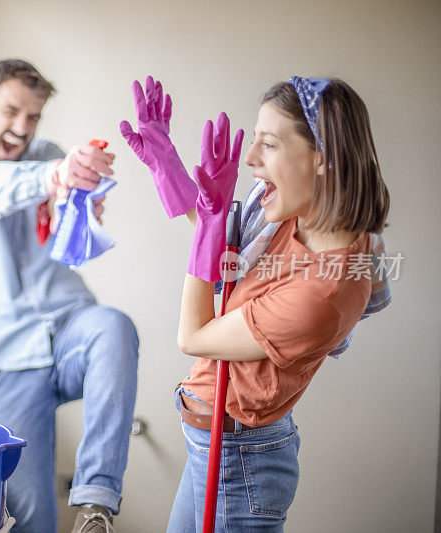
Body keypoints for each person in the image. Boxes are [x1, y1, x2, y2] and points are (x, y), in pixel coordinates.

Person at [122, 76, 391, 531]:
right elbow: (223, 241)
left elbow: (195, 336)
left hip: (239, 461)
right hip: (216, 444)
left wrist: (209, 228)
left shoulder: (322, 293)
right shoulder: (300, 216)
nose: (250, 158)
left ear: (322, 159)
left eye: (267, 144)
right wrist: (165, 162)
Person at [0, 59, 139, 533]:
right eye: (10, 112)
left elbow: (72, 237)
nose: (21, 128)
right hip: (4, 363)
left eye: (33, 116)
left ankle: (96, 502)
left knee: (114, 327)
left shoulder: (49, 155)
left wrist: (79, 208)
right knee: (29, 517)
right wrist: (53, 177)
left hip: (69, 333)